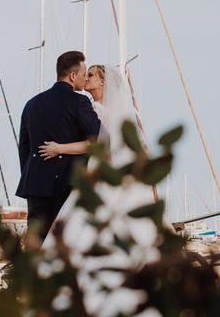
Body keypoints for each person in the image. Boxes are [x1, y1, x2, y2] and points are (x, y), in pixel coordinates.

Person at [40, 64, 158, 316]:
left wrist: (60, 148)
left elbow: (97, 145)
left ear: (104, 83)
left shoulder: (96, 110)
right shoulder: (115, 113)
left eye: (91, 74)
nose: (86, 77)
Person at [15, 51, 101, 241]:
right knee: (62, 238)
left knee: (36, 237)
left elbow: (24, 147)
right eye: (83, 73)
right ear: (72, 76)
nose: (85, 77)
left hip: (35, 182)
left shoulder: (32, 104)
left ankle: (32, 270)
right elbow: (98, 139)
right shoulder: (79, 102)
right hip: (66, 181)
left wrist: (31, 172)